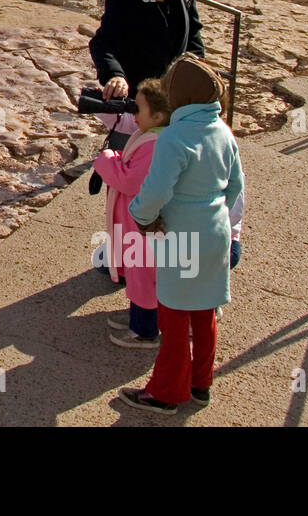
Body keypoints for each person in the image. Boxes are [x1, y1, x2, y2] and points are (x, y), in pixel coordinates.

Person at [120, 55, 242, 414]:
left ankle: (165, 393)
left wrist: (141, 215)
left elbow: (156, 191)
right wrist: (214, 211)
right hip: (216, 231)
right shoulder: (223, 131)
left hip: (181, 236)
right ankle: (200, 384)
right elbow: (234, 186)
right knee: (204, 315)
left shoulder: (174, 137)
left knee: (173, 320)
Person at [87, 0, 205, 152]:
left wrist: (198, 63)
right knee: (127, 155)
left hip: (171, 91)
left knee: (168, 154)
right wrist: (115, 75)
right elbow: (103, 42)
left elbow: (193, 29)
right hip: (137, 95)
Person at [93, 78, 170, 349]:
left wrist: (106, 158)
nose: (133, 114)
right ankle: (139, 316)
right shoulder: (154, 135)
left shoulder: (154, 146)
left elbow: (129, 181)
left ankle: (144, 332)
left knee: (144, 278)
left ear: (158, 116)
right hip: (138, 225)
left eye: (138, 109)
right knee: (140, 276)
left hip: (143, 228)